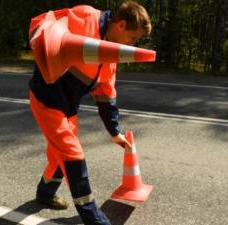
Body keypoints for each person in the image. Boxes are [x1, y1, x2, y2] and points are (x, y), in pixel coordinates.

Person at [28, 1, 151, 224]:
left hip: (68, 107)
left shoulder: (110, 55)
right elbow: (44, 27)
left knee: (59, 155)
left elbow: (106, 94)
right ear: (121, 25)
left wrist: (115, 132)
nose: (133, 44)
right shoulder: (85, 17)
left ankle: (44, 193)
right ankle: (94, 219)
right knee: (72, 155)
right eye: (133, 38)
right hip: (46, 99)